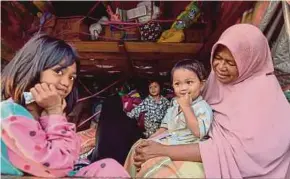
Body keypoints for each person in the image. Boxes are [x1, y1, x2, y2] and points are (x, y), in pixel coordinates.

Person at [124, 24, 290, 178]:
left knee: (161, 173)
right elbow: (190, 119)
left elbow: (233, 153)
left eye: (231, 63)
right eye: (217, 58)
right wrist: (154, 141)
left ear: (249, 63)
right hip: (198, 145)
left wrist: (164, 151)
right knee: (137, 150)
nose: (220, 67)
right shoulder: (216, 80)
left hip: (236, 167)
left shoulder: (263, 97)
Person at [0, 34, 129, 178]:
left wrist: (54, 116)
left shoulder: (41, 115)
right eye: (58, 72)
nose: (66, 83)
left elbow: (71, 157)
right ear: (33, 68)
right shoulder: (12, 114)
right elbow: (58, 166)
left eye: (71, 77)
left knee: (110, 168)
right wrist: (55, 113)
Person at [149, 59, 213, 146]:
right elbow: (163, 129)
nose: (183, 88)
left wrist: (186, 107)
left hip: (186, 149)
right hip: (170, 143)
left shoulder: (202, 107)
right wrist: (149, 140)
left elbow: (199, 132)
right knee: (138, 147)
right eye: (177, 84)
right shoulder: (174, 106)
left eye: (189, 82)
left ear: (201, 85)